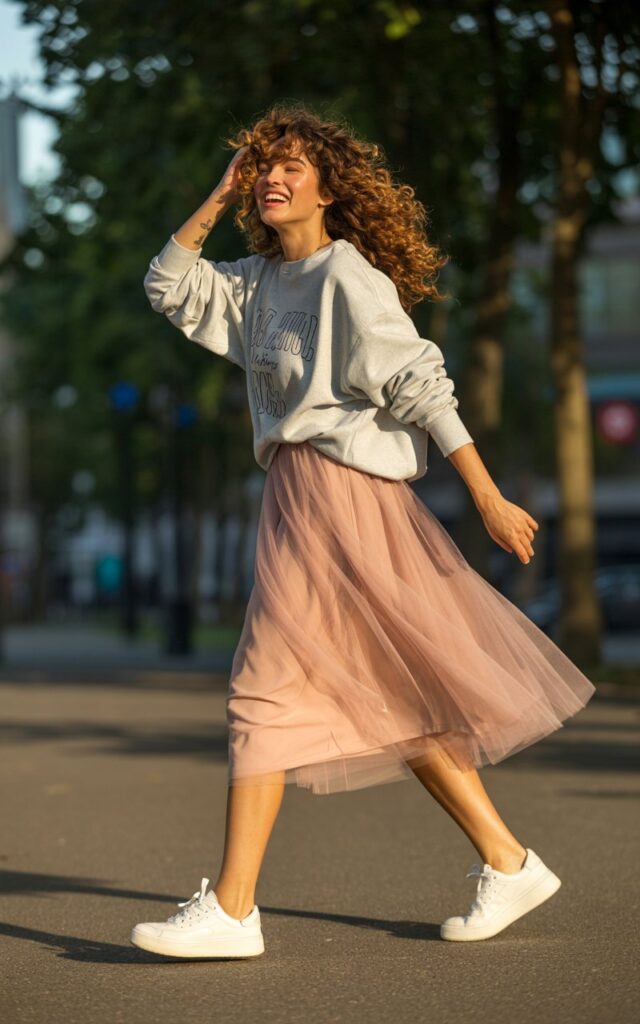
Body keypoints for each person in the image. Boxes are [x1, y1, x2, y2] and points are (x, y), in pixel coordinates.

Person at [130, 103, 596, 959]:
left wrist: (487, 497)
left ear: (329, 187)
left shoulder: (348, 278)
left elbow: (420, 383)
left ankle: (234, 910)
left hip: (346, 497)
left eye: (292, 166)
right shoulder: (259, 283)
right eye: (262, 166)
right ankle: (508, 858)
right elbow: (167, 284)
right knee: (389, 692)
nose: (273, 177)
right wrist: (214, 195)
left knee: (263, 686)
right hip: (295, 499)